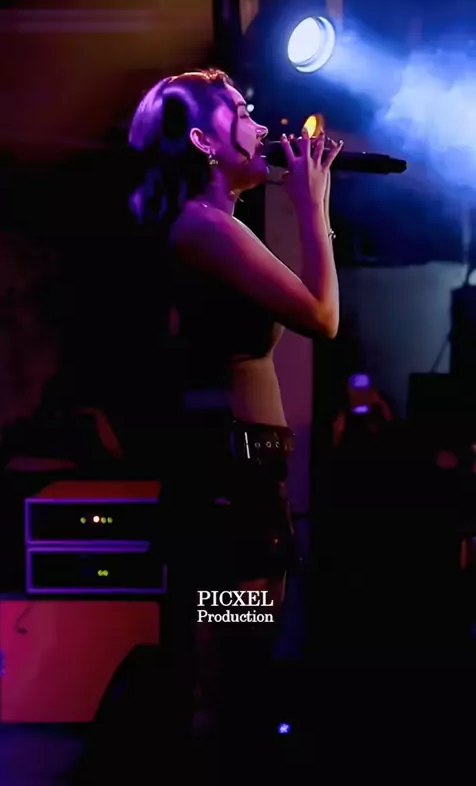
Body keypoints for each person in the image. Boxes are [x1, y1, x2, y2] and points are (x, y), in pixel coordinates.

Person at [128, 69, 342, 766]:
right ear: (203, 142)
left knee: (243, 641)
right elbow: (322, 317)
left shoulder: (214, 226)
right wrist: (312, 207)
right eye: (242, 115)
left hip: (241, 468)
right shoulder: (205, 227)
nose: (260, 128)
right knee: (231, 651)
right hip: (230, 473)